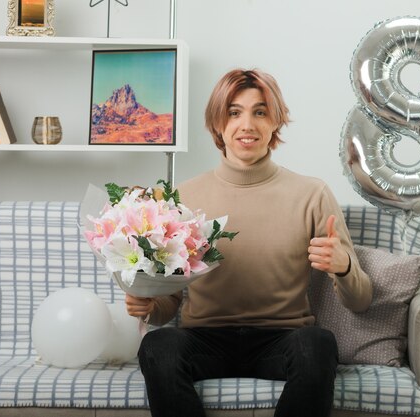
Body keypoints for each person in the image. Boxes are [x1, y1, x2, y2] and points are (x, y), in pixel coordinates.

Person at [125, 68, 372, 417]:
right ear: (217, 123)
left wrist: (343, 267)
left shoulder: (311, 194)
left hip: (282, 339)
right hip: (204, 340)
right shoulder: (180, 197)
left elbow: (361, 300)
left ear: (275, 122)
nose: (247, 125)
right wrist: (150, 305)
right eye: (234, 112)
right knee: (157, 345)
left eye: (260, 112)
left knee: (318, 343)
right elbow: (169, 305)